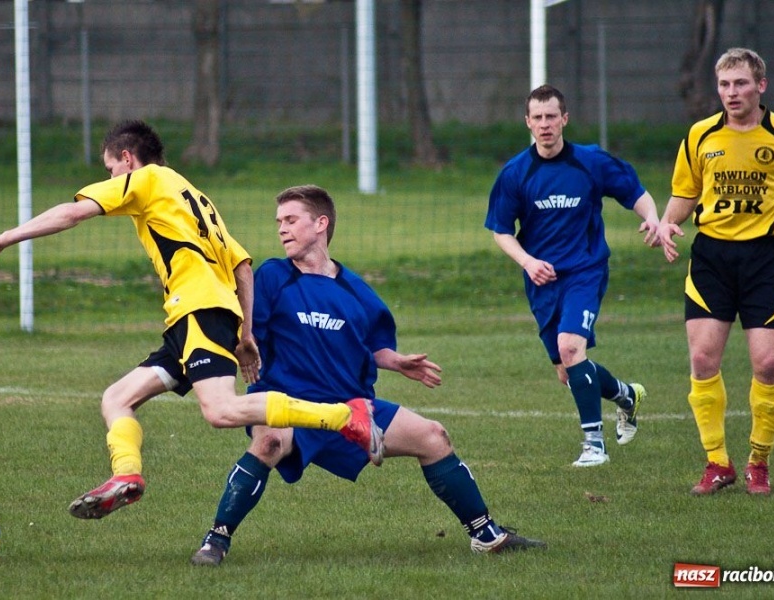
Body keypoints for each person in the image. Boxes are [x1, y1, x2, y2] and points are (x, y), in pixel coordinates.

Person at [0, 120, 383, 519]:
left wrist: (6, 238)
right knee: (117, 398)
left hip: (197, 308)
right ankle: (126, 475)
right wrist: (245, 334)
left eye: (111, 170)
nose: (112, 179)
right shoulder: (194, 195)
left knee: (220, 411)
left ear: (128, 159)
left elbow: (73, 213)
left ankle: (345, 416)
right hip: (200, 315)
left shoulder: (147, 180)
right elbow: (241, 266)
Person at [190, 185, 546, 566]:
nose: (282, 229)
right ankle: (216, 541)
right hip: (287, 404)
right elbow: (244, 330)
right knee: (269, 443)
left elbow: (374, 346)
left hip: (351, 409)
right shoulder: (274, 277)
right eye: (279, 222)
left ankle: (485, 534)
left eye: (291, 220)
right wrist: (240, 343)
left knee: (433, 435)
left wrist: (396, 361)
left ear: (321, 224)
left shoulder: (356, 291)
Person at [656, 48, 774, 495]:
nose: (732, 93)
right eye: (725, 85)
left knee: (767, 364)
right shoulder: (700, 136)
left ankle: (758, 463)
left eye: (741, 84)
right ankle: (717, 463)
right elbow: (686, 193)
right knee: (703, 359)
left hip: (766, 259)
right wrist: (668, 222)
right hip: (712, 258)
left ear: (760, 86)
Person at [484, 85, 659, 468]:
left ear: (565, 119)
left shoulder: (590, 162)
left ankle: (594, 446)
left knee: (570, 347)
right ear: (527, 122)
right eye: (538, 118)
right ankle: (626, 395)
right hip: (542, 280)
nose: (545, 125)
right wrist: (528, 262)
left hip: (585, 270)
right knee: (568, 371)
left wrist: (653, 219)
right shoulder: (516, 173)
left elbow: (636, 192)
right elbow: (500, 230)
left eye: (552, 116)